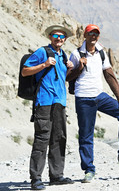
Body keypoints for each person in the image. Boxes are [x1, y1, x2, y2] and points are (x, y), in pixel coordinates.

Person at [66, 24, 119, 183]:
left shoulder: (101, 53)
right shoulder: (76, 53)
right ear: (85, 36)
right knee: (86, 136)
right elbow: (67, 76)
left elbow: (109, 75)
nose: (93, 36)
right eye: (90, 33)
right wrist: (80, 67)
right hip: (83, 98)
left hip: (100, 96)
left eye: (96, 34)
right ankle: (89, 170)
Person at [22, 25, 74, 190]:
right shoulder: (42, 52)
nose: (59, 39)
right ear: (50, 37)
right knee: (42, 138)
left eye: (61, 37)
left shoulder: (62, 55)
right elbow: (25, 71)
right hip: (44, 101)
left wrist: (71, 68)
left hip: (60, 102)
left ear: (65, 39)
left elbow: (60, 77)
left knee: (59, 138)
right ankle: (35, 178)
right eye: (55, 36)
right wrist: (44, 64)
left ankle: (56, 176)